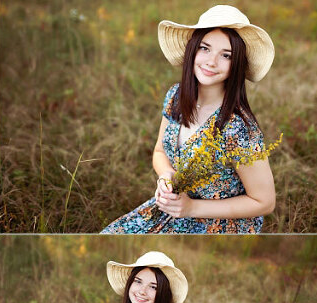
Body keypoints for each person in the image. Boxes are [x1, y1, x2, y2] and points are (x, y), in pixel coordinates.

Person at [101, 5, 276, 233]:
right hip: (178, 205)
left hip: (221, 223)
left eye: (226, 55)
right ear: (192, 50)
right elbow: (159, 153)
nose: (211, 61)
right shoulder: (176, 96)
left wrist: (192, 207)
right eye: (205, 48)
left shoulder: (238, 129)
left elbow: (264, 202)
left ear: (237, 65)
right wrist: (167, 177)